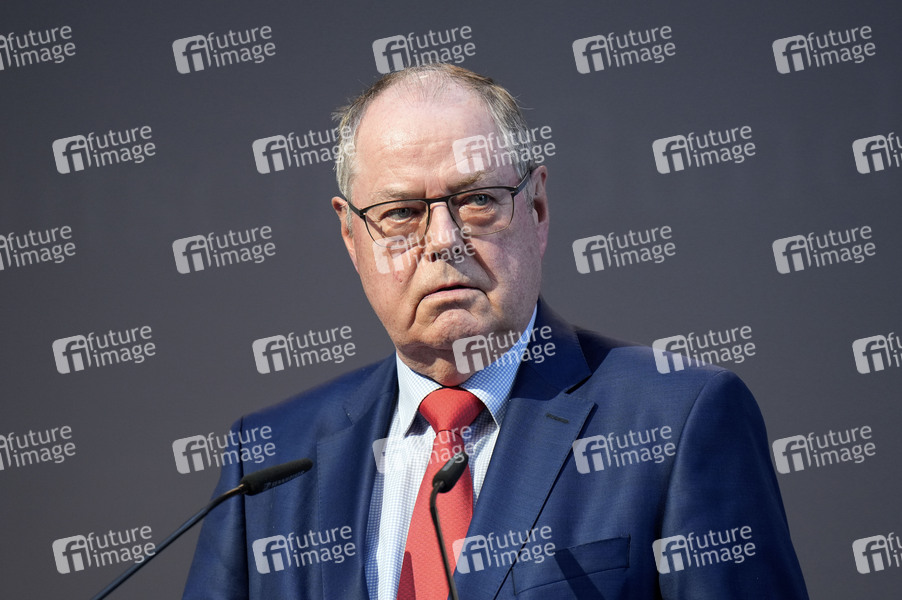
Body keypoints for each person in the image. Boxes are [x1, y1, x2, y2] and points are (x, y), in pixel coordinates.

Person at [183, 63, 808, 599]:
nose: (443, 240)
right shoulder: (268, 462)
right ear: (352, 236)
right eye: (401, 213)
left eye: (477, 199)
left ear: (536, 208)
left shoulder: (677, 418)